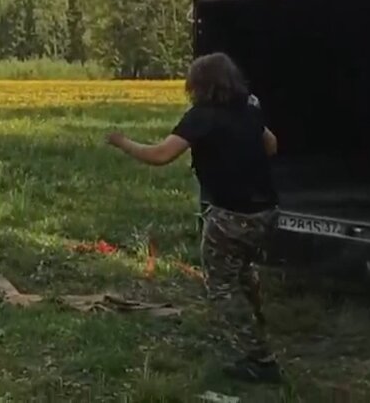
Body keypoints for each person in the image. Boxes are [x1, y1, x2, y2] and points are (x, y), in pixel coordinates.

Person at [105, 52, 282, 384]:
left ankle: (260, 359)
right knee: (242, 269)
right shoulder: (249, 110)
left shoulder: (202, 117)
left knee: (221, 286)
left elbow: (160, 155)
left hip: (232, 216)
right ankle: (256, 321)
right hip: (267, 213)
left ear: (198, 85)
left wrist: (122, 142)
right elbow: (271, 145)